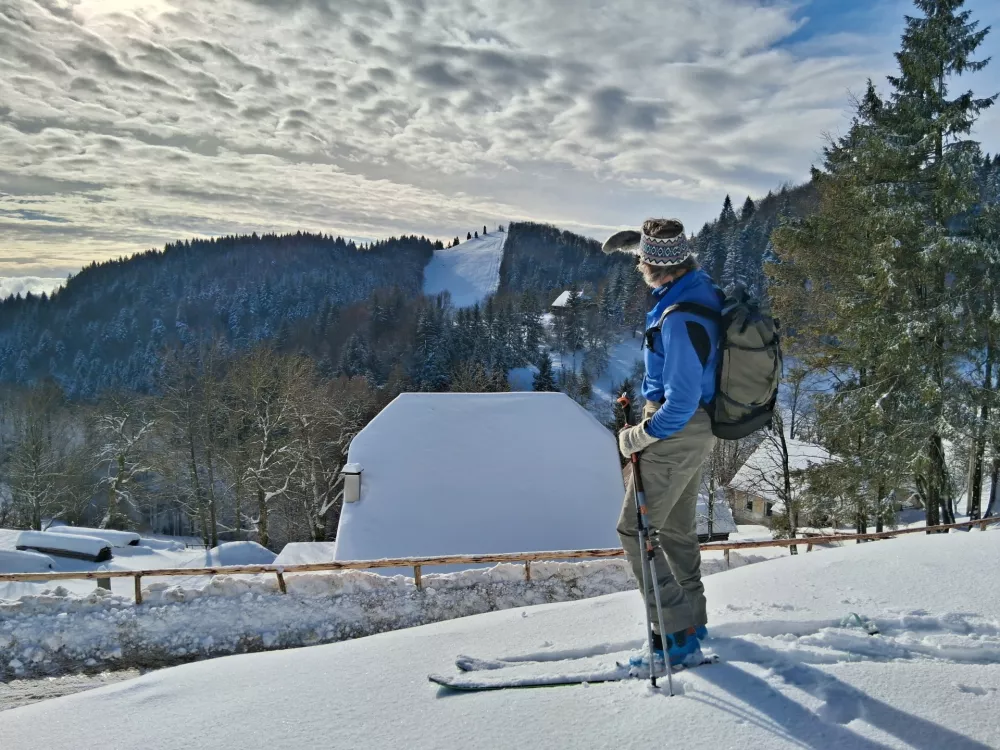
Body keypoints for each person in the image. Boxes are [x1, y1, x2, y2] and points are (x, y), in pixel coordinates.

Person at [602, 218, 721, 668]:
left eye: (642, 263)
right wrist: (638, 243)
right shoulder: (696, 289)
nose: (639, 268)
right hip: (699, 430)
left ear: (656, 266)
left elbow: (681, 401)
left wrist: (636, 437)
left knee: (635, 530)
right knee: (674, 530)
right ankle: (694, 621)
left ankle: (673, 635)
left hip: (676, 429)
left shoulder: (680, 318)